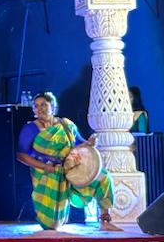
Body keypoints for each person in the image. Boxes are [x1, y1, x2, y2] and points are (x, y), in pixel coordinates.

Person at [16, 91, 121, 232]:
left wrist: (90, 143)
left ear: (52, 106)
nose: (40, 108)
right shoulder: (30, 129)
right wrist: (45, 167)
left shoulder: (65, 125)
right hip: (48, 174)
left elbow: (80, 144)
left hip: (70, 169)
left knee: (103, 178)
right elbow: (21, 155)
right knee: (51, 224)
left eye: (44, 105)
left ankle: (105, 220)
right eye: (36, 106)